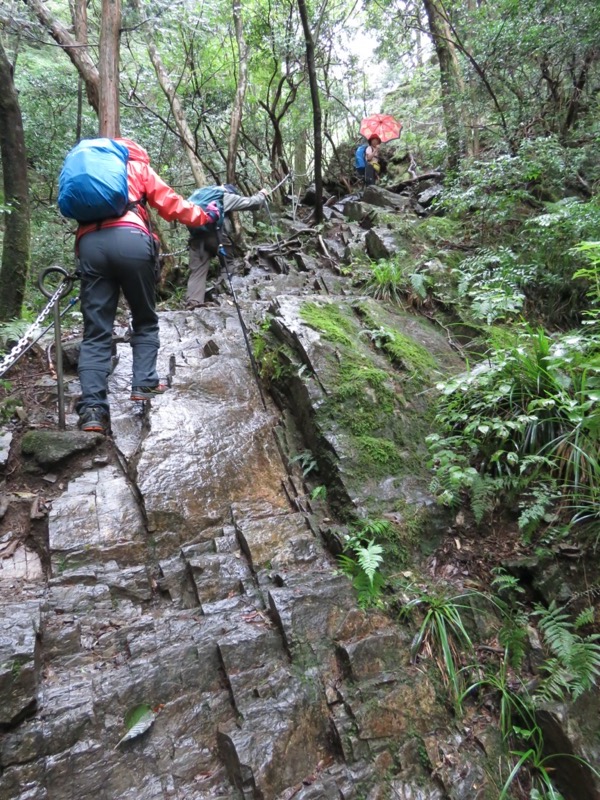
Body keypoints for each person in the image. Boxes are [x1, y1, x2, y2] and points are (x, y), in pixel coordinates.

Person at [75, 137, 220, 435]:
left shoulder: (91, 171)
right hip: (131, 239)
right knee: (144, 318)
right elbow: (171, 204)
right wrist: (206, 215)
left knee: (96, 332)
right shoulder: (136, 166)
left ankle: (93, 411)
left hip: (89, 243)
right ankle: (144, 383)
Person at [186, 184, 269, 308]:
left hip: (196, 238)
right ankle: (223, 294)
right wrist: (262, 194)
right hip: (215, 237)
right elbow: (253, 203)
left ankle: (193, 302)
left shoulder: (200, 193)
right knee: (228, 262)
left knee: (197, 271)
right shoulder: (224, 196)